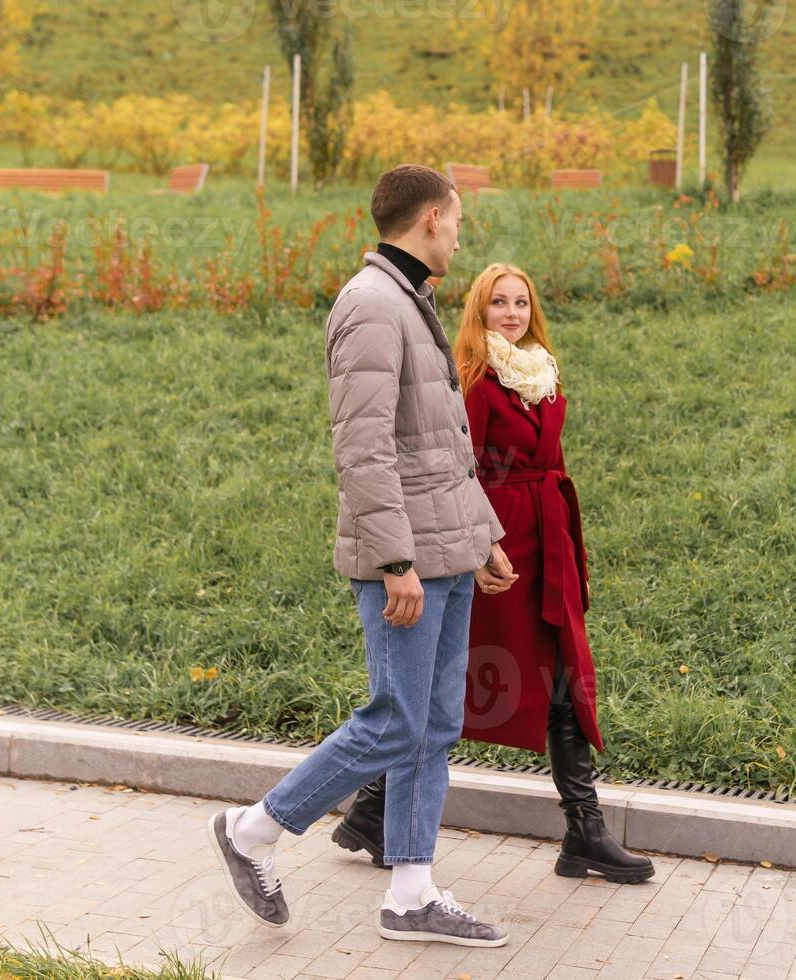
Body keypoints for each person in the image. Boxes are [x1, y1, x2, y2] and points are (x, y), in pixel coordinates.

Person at [206, 165, 519, 947]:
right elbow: (365, 447)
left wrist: (481, 538)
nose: (460, 235)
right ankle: (253, 831)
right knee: (393, 720)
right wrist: (393, 561)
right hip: (405, 561)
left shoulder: (410, 302)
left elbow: (440, 445)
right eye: (457, 221)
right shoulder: (373, 304)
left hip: (444, 551)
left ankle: (410, 894)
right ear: (432, 219)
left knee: (434, 726)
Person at [332, 263, 656, 884]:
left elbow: (553, 460)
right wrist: (481, 546)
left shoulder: (544, 375)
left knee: (561, 674)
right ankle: (374, 807)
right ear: (478, 312)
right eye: (498, 303)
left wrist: (565, 541)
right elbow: (458, 473)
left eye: (522, 303)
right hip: (491, 551)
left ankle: (582, 830)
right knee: (451, 686)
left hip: (546, 546)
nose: (512, 313)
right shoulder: (475, 382)